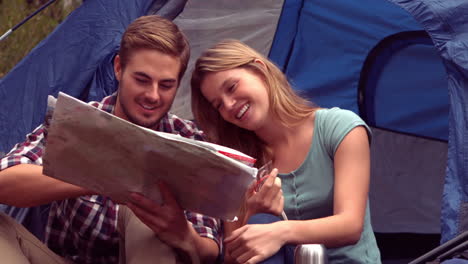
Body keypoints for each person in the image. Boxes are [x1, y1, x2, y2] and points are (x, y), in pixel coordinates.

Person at [0, 15, 221, 264]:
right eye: (142, 80)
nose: (153, 95)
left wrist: (184, 235)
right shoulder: (78, 123)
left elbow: (211, 249)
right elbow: (4, 180)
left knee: (147, 198)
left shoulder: (188, 140)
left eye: (166, 85)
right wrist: (105, 176)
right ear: (118, 68)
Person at [190, 39, 382, 263]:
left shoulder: (339, 128)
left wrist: (280, 232)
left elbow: (350, 226)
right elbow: (233, 258)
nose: (229, 104)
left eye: (232, 87)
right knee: (260, 224)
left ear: (260, 70)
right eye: (218, 105)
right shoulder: (237, 162)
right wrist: (252, 212)